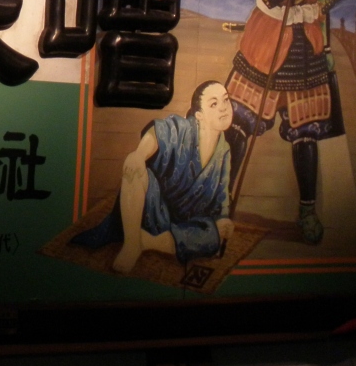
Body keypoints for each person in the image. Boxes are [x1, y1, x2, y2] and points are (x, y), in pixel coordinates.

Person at [225, 0, 343, 244]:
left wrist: (325, 49)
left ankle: (307, 210)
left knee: (305, 134)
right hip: (264, 44)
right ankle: (221, 200)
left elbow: (319, 2)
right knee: (238, 124)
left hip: (304, 48)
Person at [74, 80, 235, 273]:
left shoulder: (224, 151)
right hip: (155, 210)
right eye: (214, 104)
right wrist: (140, 154)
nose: (223, 108)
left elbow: (222, 194)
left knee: (212, 237)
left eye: (226, 100)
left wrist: (223, 219)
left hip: (186, 223)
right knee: (135, 169)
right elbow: (158, 133)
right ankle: (132, 244)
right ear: (199, 115)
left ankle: (145, 241)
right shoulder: (182, 128)